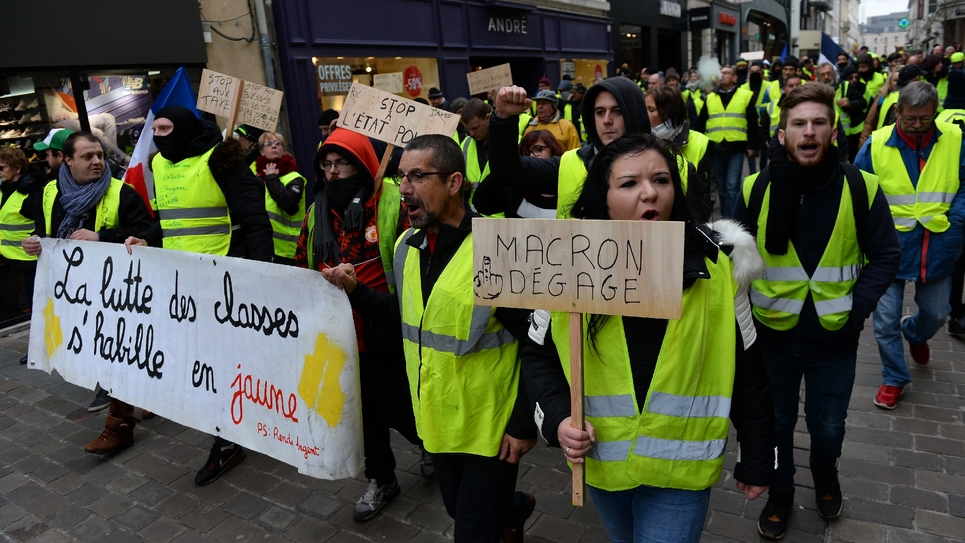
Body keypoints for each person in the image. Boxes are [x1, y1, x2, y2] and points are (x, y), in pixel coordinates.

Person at [524, 134, 775, 543]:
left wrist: (759, 457)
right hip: (603, 462)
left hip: (683, 466)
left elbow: (748, 366)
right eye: (628, 184)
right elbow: (537, 356)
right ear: (601, 196)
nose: (650, 193)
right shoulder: (566, 261)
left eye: (661, 180)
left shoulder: (718, 266)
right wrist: (556, 420)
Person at [323, 134, 538, 542]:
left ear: (454, 182)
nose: (403, 189)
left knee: (471, 530)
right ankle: (514, 508)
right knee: (459, 508)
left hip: (490, 427)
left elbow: (536, 341)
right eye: (402, 177)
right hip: (436, 420)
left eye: (418, 177)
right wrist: (355, 290)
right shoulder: (407, 244)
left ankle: (501, 514)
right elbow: (405, 316)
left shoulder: (499, 247)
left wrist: (524, 423)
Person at [734, 83, 900, 539]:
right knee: (778, 425)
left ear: (833, 130)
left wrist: (858, 307)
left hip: (835, 338)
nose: (809, 132)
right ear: (783, 134)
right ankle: (781, 493)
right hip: (772, 337)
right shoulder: (755, 187)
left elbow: (886, 255)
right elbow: (730, 259)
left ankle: (825, 474)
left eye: (819, 123)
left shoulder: (862, 187)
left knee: (827, 427)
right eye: (799, 124)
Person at [127, 106, 274, 484]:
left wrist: (262, 275)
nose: (159, 135)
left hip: (227, 279)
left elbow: (257, 221)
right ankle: (227, 440)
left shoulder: (221, 161)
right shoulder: (160, 164)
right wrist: (147, 238)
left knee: (237, 358)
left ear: (187, 129)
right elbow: (173, 221)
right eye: (155, 128)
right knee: (212, 363)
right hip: (185, 285)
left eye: (166, 127)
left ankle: (256, 424)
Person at [297, 128, 426, 521]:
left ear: (364, 164)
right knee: (364, 413)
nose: (333, 172)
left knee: (400, 405)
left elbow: (417, 255)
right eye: (327, 164)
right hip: (339, 333)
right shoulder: (317, 210)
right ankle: (382, 478)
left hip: (385, 324)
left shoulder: (391, 201)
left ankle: (431, 445)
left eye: (343, 163)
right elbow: (302, 259)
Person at [22, 132, 159, 452]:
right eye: (87, 156)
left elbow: (150, 232)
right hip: (77, 293)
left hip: (123, 293)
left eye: (98, 154)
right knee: (105, 354)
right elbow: (47, 235)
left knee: (117, 353)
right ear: (66, 160)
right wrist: (35, 243)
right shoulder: (51, 193)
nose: (97, 161)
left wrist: (102, 237)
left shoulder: (121, 192)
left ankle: (120, 424)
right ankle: (146, 396)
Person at [854, 82, 965, 410]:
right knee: (884, 320)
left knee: (936, 313)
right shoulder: (874, 147)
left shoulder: (957, 140)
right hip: (887, 249)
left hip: (939, 244)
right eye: (910, 119)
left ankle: (915, 335)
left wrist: (957, 221)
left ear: (936, 112)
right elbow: (859, 193)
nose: (918, 126)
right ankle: (894, 377)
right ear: (897, 112)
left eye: (925, 119)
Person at [490, 77, 651, 219]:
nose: (607, 120)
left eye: (617, 111)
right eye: (600, 112)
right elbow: (508, 170)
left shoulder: (668, 162)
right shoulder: (571, 163)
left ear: (634, 113)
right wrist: (504, 118)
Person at [0, 148, 45, 364]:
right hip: (10, 259)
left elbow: (41, 225)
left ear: (17, 168)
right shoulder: (4, 190)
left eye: (2, 167)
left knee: (35, 306)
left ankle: (39, 349)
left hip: (29, 260)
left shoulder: (29, 193)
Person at [696, 64, 758, 219]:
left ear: (735, 77)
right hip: (716, 149)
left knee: (732, 186)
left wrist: (752, 146)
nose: (722, 75)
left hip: (736, 148)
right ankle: (726, 216)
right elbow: (701, 124)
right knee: (722, 188)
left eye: (727, 73)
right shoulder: (710, 97)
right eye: (721, 72)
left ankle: (731, 219)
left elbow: (752, 122)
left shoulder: (745, 95)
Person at [645, 86, 713, 220]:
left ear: (669, 112)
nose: (644, 114)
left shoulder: (700, 142)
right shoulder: (639, 141)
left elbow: (702, 200)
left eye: (651, 110)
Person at [473, 130, 563, 218]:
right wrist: (501, 171)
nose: (531, 156)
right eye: (527, 152)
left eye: (538, 149)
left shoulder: (569, 189)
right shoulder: (514, 190)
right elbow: (482, 205)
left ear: (553, 150)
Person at [252, 132, 306, 265]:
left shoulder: (294, 177)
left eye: (277, 143)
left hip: (285, 251)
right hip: (259, 246)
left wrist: (271, 178)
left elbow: (289, 205)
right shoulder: (253, 174)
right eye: (268, 144)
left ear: (283, 149)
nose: (274, 146)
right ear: (262, 151)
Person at [459, 98, 492, 206]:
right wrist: (462, 185)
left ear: (488, 118)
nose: (472, 133)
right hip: (474, 214)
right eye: (468, 129)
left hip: (504, 215)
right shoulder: (466, 143)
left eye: (475, 128)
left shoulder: (510, 140)